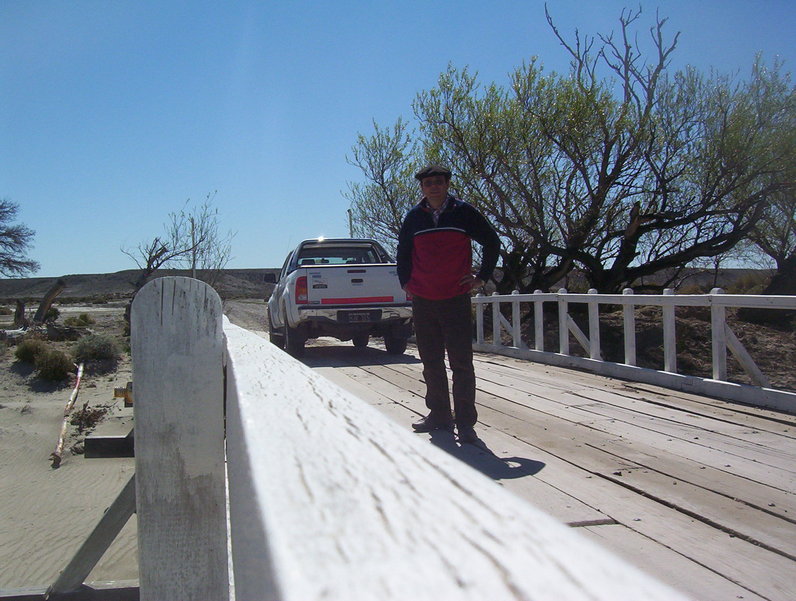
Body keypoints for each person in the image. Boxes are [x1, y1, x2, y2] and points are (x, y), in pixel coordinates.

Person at [396, 164, 500, 444]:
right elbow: (403, 252)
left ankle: (465, 423)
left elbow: (492, 242)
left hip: (455, 296)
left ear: (447, 184)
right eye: (428, 183)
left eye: (439, 182)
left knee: (461, 363)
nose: (434, 187)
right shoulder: (414, 218)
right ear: (422, 187)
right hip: (424, 299)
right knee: (430, 361)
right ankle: (439, 415)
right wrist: (406, 281)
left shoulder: (464, 212)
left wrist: (482, 277)